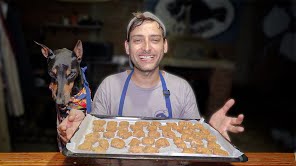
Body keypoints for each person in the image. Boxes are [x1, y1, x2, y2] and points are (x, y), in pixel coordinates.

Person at [58, 11, 244, 146]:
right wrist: (79, 132)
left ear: (164, 46)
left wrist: (212, 133)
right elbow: (95, 138)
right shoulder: (109, 87)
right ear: (127, 47)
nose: (146, 47)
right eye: (138, 40)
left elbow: (193, 141)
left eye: (154, 40)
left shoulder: (181, 88)